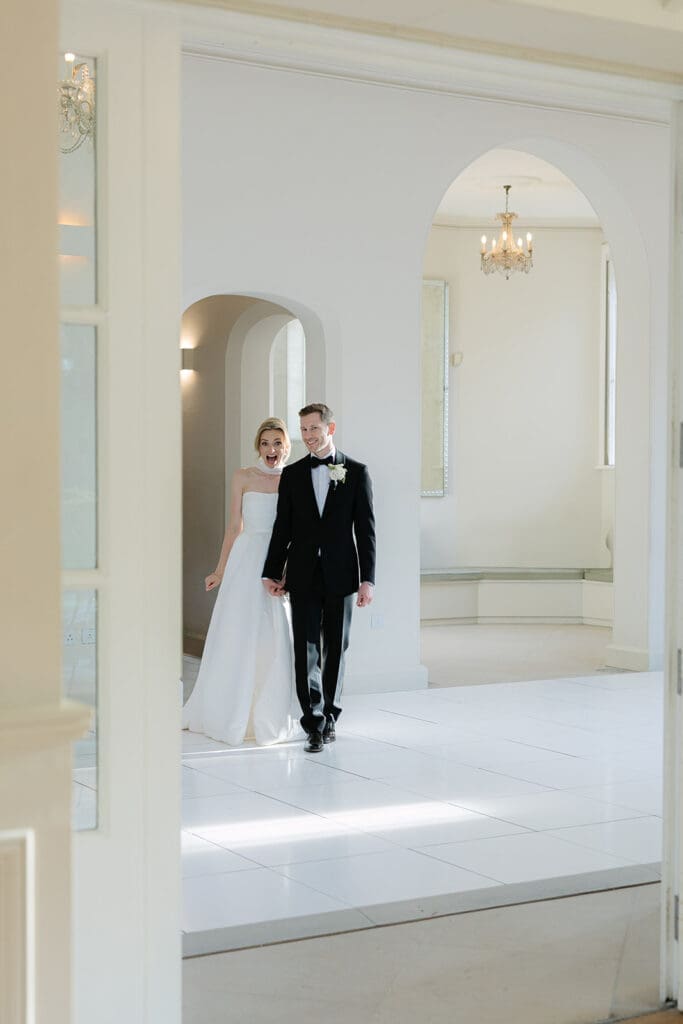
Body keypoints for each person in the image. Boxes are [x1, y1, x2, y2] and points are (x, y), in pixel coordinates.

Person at [262, 403, 376, 753]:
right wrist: (271, 570)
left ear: (330, 428)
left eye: (314, 428)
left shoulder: (356, 472)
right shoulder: (293, 475)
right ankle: (312, 722)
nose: (309, 436)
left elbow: (366, 530)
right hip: (303, 573)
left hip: (343, 575)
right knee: (306, 649)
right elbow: (283, 527)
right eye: (304, 430)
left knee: (336, 650)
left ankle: (330, 717)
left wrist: (367, 579)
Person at [183, 418, 297, 746]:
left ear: (286, 445)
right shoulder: (243, 476)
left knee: (273, 634)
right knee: (237, 630)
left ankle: (267, 710)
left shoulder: (293, 479)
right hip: (245, 559)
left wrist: (289, 570)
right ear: (257, 446)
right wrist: (220, 570)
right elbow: (234, 526)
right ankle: (228, 710)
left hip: (278, 561)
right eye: (265, 443)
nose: (271, 449)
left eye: (277, 442)